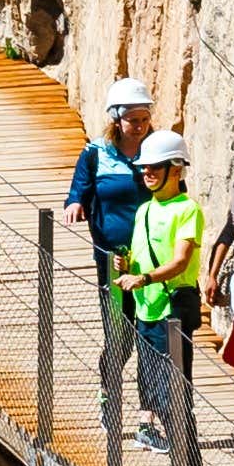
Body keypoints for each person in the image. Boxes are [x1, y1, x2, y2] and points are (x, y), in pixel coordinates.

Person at [108, 132, 208, 466]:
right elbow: (142, 258)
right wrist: (128, 266)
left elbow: (181, 261)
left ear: (176, 169)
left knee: (175, 397)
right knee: (157, 395)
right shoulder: (145, 210)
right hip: (147, 312)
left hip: (172, 314)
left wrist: (145, 278)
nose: (147, 172)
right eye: (145, 167)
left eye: (155, 167)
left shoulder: (187, 210)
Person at [64, 78, 155, 427]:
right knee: (119, 336)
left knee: (150, 336)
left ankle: (147, 418)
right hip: (112, 262)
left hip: (150, 261)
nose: (140, 126)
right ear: (116, 119)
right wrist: (75, 205)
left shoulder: (156, 153)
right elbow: (79, 190)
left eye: (144, 118)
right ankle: (109, 397)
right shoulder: (95, 154)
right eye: (133, 119)